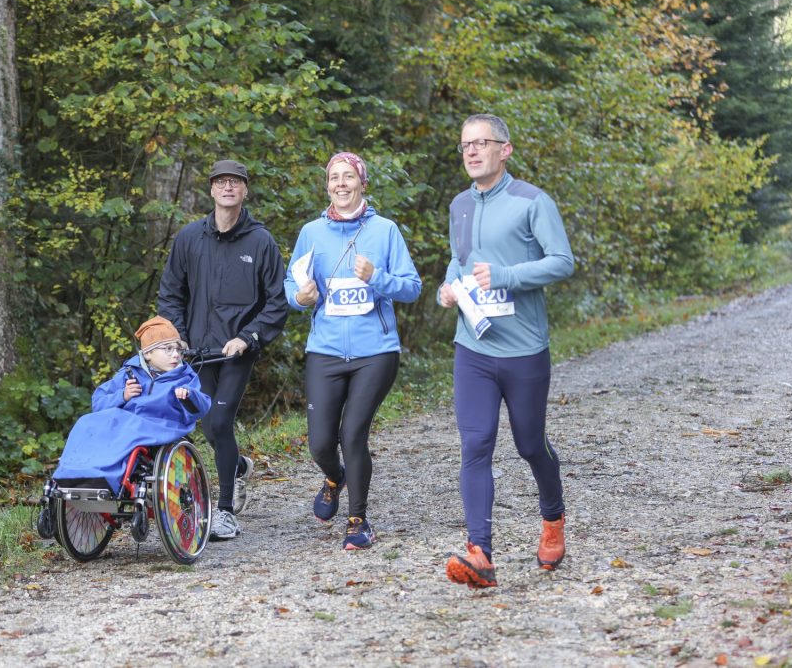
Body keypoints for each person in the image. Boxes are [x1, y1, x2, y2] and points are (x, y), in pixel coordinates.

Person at [438, 114, 574, 588]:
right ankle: (480, 553)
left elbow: (562, 261)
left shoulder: (533, 201)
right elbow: (458, 262)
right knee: (475, 444)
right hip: (472, 346)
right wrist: (447, 290)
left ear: (505, 150)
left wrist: (509, 276)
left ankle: (553, 520)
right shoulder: (458, 204)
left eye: (482, 143)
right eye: (465, 145)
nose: (472, 152)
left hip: (523, 349)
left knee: (530, 444)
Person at [284, 151, 422, 550]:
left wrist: (376, 277)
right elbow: (289, 286)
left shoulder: (386, 231)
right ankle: (333, 477)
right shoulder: (311, 232)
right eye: (334, 178)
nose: (341, 184)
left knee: (353, 434)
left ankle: (357, 520)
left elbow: (412, 287)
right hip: (325, 350)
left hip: (375, 351)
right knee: (320, 444)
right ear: (327, 185)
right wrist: (301, 297)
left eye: (348, 177)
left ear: (362, 183)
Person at [158, 159, 288, 541]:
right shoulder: (188, 238)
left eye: (236, 182)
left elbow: (277, 301)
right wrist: (178, 336)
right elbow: (170, 293)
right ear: (212, 190)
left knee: (218, 422)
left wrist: (248, 337)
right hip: (195, 351)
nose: (228, 187)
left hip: (236, 352)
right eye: (221, 182)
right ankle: (239, 465)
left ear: (245, 190)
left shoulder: (260, 242)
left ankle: (226, 511)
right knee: (207, 424)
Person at [51, 316, 211, 493]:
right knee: (86, 422)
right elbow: (98, 402)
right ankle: (74, 473)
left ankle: (107, 478)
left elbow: (202, 407)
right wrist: (123, 396)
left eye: (178, 350)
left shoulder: (184, 377)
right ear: (148, 353)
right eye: (168, 349)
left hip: (163, 426)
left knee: (126, 426)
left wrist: (188, 396)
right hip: (129, 422)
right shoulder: (129, 373)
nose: (175, 355)